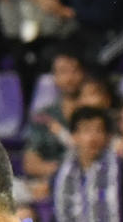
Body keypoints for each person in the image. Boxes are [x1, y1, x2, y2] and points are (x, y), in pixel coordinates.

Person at [22, 51, 86, 187]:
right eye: (63, 72)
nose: (69, 78)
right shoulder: (43, 117)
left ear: (83, 73)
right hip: (48, 183)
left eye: (74, 71)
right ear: (54, 77)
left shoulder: (92, 116)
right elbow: (31, 164)